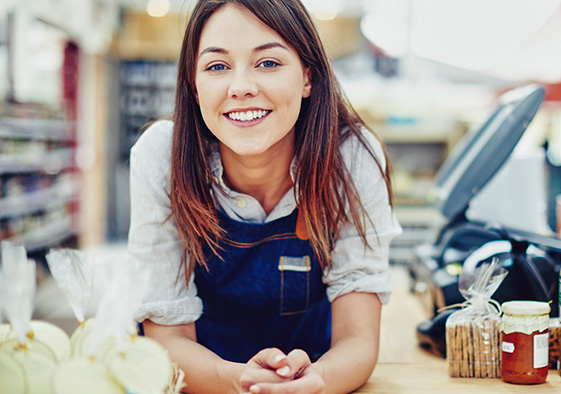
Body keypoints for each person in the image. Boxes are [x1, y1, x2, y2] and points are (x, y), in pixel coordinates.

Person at [127, 0, 401, 392]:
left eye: (268, 63)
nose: (241, 88)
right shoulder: (162, 157)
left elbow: (357, 338)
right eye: (217, 66)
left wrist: (319, 380)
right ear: (194, 84)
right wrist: (237, 380)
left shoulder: (352, 157)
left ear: (307, 76)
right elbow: (167, 340)